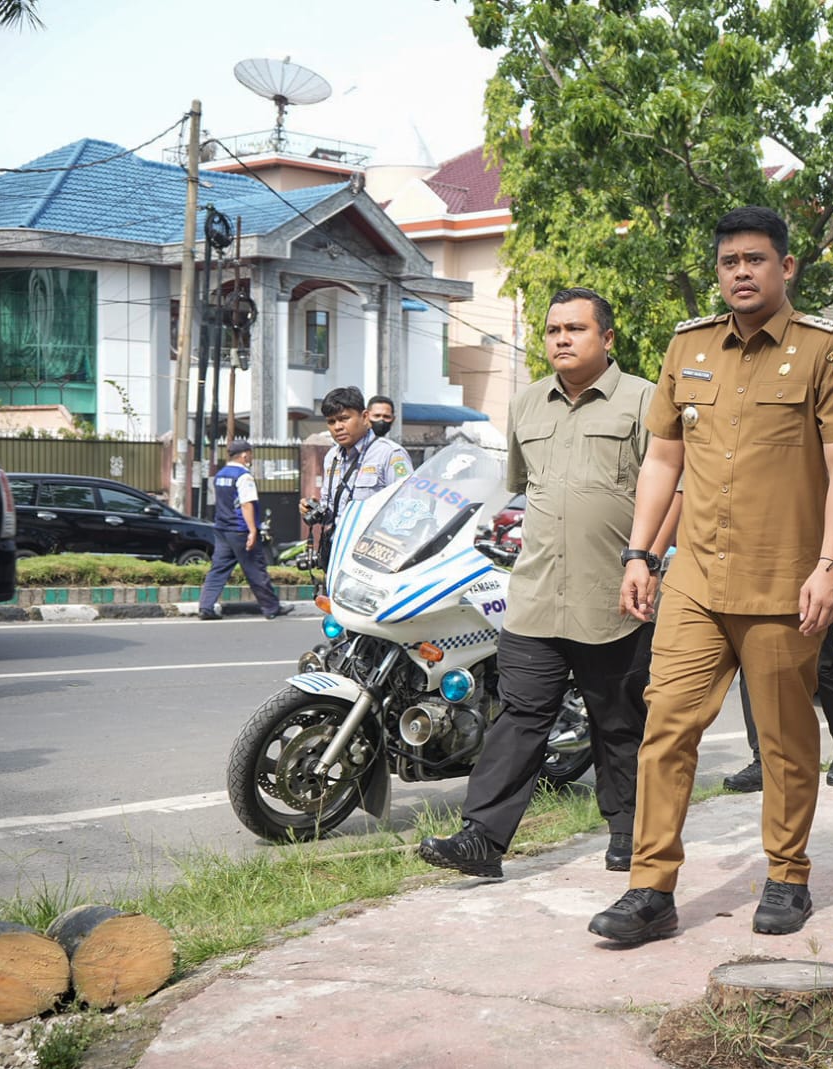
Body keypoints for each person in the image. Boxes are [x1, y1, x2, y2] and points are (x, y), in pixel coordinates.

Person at [588, 206, 833, 945]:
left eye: (755, 259)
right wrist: (640, 553)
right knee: (667, 725)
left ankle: (788, 874)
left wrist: (830, 566)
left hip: (785, 580)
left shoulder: (825, 352)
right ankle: (651, 887)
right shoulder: (688, 346)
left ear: (787, 267)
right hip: (695, 577)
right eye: (728, 262)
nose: (741, 272)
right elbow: (663, 459)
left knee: (782, 738)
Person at [420, 288, 667, 878]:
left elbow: (670, 489)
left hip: (615, 595)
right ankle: (482, 839)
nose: (561, 338)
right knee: (520, 716)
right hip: (534, 591)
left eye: (576, 328)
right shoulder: (527, 404)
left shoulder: (644, 401)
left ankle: (629, 834)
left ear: (607, 339)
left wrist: (648, 561)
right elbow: (524, 487)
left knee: (618, 721)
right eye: (554, 329)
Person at [722, 623, 833, 792]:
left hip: (809, 600)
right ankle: (763, 759)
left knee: (821, 665)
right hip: (762, 600)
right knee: (754, 666)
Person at [197, 439, 293, 621]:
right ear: (244, 454)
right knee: (256, 569)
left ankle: (206, 607)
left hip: (222, 529)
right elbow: (246, 504)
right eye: (250, 453)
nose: (251, 456)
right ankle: (271, 608)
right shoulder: (243, 476)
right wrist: (252, 531)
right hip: (240, 530)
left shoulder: (220, 475)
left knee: (218, 570)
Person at [305, 386, 412, 525]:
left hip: (372, 544)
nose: (337, 427)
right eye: (331, 422)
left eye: (344, 418)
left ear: (365, 417)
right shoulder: (332, 457)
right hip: (338, 543)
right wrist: (314, 509)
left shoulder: (390, 454)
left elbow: (407, 508)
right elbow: (331, 513)